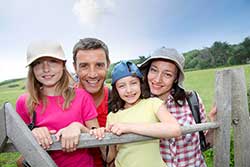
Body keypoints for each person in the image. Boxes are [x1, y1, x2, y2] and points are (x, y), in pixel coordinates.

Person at [16, 40, 100, 167]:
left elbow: (99, 139)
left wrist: (79, 127)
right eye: (38, 63)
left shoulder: (82, 97)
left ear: (63, 64)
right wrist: (32, 136)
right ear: (32, 69)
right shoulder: (25, 102)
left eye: (53, 61)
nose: (46, 69)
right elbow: (21, 157)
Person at [139, 47, 217, 167]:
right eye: (154, 70)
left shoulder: (192, 100)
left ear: (176, 78)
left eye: (167, 74)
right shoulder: (138, 104)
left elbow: (205, 144)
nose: (157, 79)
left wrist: (213, 123)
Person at [101, 60, 181, 167]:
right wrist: (102, 137)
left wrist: (128, 127)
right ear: (115, 89)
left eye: (133, 83)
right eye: (122, 86)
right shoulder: (112, 117)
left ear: (140, 83)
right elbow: (110, 157)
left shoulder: (153, 104)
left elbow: (174, 129)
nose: (129, 90)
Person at [72, 38, 110, 167]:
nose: (92, 74)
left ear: (108, 65)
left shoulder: (119, 100)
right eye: (84, 66)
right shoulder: (62, 102)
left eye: (99, 65)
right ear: (75, 68)